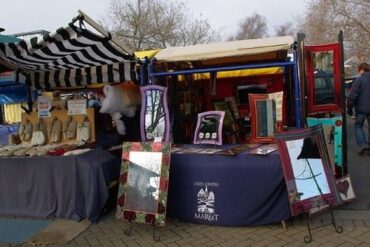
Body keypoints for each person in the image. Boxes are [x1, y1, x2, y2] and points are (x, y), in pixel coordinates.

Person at [348, 62, 370, 155]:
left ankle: (363, 145)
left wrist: (350, 107)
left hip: (361, 109)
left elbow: (353, 96)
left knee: (358, 126)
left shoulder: (358, 80)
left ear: (361, 70)